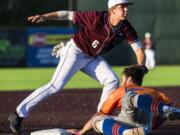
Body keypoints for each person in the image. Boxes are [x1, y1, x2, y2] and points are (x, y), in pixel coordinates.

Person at [8, 0, 146, 133]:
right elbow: (67, 14)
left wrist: (140, 67)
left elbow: (139, 50)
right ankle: (18, 114)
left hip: (92, 58)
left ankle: (100, 118)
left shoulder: (126, 27)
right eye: (122, 7)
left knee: (112, 80)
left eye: (126, 6)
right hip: (76, 51)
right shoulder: (96, 18)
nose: (126, 9)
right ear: (113, 10)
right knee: (55, 86)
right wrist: (45, 16)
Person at [71, 65, 180, 135]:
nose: (122, 82)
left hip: (129, 121)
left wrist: (82, 132)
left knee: (96, 119)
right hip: (145, 126)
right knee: (157, 104)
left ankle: (125, 132)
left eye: (123, 79)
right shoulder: (152, 92)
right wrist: (153, 123)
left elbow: (102, 113)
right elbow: (170, 102)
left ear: (129, 79)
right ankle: (165, 109)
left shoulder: (120, 90)